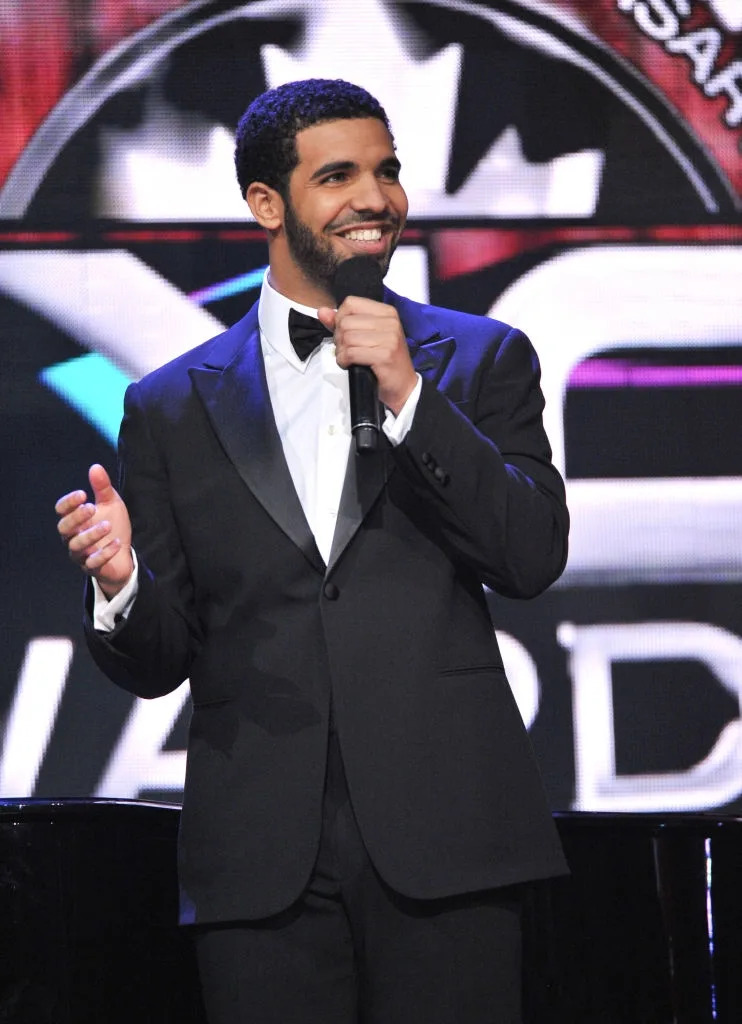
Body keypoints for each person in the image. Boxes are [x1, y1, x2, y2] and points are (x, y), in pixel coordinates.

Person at [55, 78, 569, 1024]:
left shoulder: (482, 358)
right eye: (338, 175)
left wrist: (413, 397)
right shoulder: (171, 406)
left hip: (450, 841)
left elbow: (531, 556)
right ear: (266, 203)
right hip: (259, 861)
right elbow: (160, 657)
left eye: (387, 171)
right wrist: (124, 585)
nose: (374, 196)